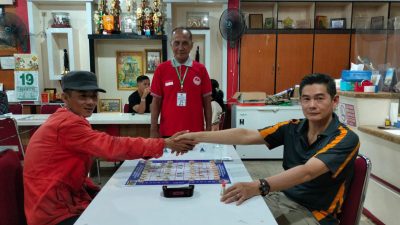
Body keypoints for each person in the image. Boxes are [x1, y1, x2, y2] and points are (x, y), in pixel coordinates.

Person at [176, 73, 360, 225]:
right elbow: (245, 135)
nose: (312, 105)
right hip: (283, 198)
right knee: (226, 214)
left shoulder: (346, 138)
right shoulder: (293, 127)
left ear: (334, 101)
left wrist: (258, 186)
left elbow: (307, 172)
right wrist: (196, 136)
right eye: (306, 99)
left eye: (320, 98)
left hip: (316, 215)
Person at [23, 71, 195, 225]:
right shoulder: (67, 124)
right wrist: (163, 143)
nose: (90, 102)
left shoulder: (68, 118)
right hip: (53, 213)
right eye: (83, 96)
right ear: (65, 98)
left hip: (63, 200)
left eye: (93, 96)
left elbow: (100, 153)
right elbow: (111, 146)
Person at [150, 27, 212, 137]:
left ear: (191, 45)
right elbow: (156, 102)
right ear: (171, 44)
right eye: (176, 43)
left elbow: (207, 102)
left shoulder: (201, 70)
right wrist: (153, 129)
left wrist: (209, 128)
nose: (180, 47)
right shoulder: (161, 69)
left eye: (185, 43)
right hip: (168, 133)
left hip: (195, 132)